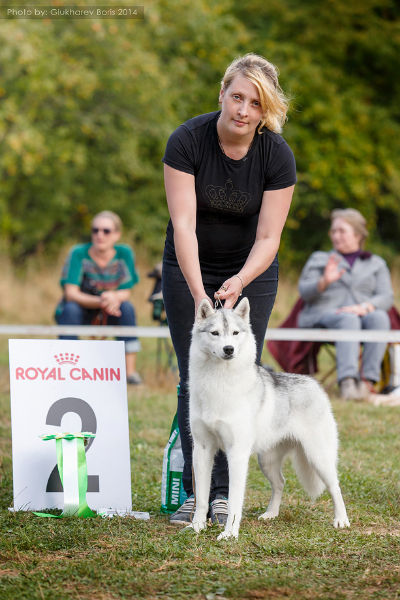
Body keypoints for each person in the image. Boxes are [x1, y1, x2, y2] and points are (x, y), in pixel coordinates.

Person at [161, 53, 296, 525]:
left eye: (254, 103)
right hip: (188, 262)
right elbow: (183, 227)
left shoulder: (276, 154)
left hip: (251, 268)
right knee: (192, 376)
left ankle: (226, 495)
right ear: (222, 93)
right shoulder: (187, 140)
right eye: (236, 96)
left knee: (241, 374)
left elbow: (269, 237)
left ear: (265, 112)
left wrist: (238, 281)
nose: (243, 109)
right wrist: (201, 296)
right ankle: (199, 493)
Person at [298, 208, 394, 400]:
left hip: (361, 314)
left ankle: (368, 383)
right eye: (333, 231)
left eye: (342, 231)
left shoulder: (376, 263)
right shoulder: (320, 259)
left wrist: (365, 307)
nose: (336, 235)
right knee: (348, 319)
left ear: (358, 234)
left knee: (380, 317)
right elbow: (304, 291)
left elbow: (387, 296)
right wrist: (324, 281)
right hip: (323, 314)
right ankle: (348, 383)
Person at [55, 210, 142, 385]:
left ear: (117, 234)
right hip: (81, 307)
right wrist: (103, 301)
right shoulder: (78, 253)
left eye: (106, 231)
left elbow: (127, 290)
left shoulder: (125, 253)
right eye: (95, 230)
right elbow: (70, 293)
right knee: (70, 309)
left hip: (112, 309)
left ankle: (130, 373)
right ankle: (66, 371)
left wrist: (114, 297)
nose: (99, 235)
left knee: (127, 308)